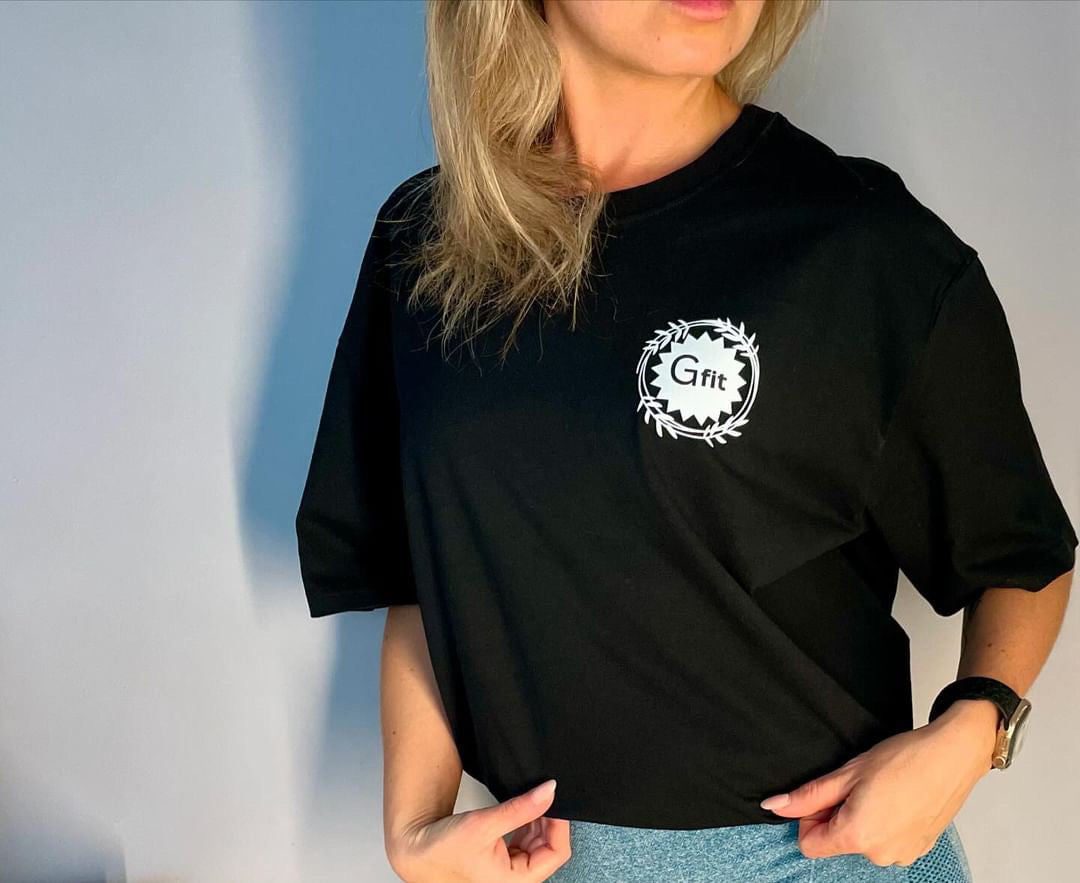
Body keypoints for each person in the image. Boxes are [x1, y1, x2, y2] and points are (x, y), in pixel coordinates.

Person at [294, 1, 1077, 881]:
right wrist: (413, 825)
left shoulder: (861, 244)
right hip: (542, 863)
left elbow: (1021, 550)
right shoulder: (432, 240)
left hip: (810, 857)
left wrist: (975, 728)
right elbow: (422, 569)